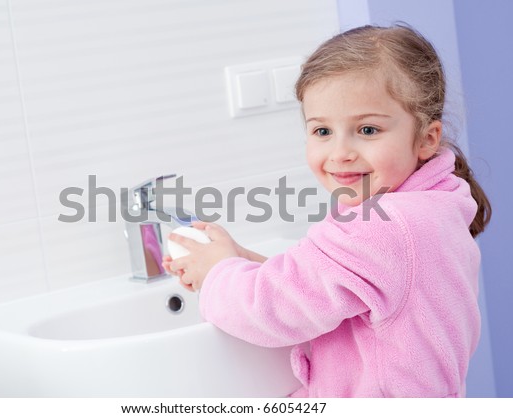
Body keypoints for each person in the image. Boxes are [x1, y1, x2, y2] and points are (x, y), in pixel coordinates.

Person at [162, 24, 492, 397]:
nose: (340, 152)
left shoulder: (381, 226)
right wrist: (239, 258)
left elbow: (273, 308)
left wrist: (218, 272)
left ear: (425, 139)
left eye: (367, 130)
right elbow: (332, 285)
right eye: (322, 132)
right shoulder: (435, 206)